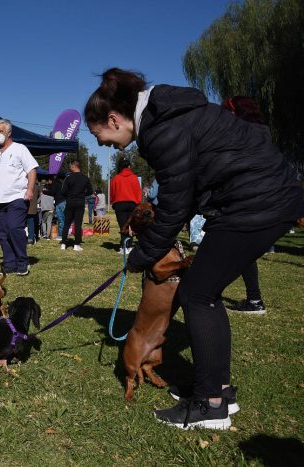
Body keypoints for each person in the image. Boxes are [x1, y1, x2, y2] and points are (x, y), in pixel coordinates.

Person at [85, 67, 303, 430]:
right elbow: (183, 198)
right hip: (260, 199)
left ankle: (209, 405)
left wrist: (141, 256)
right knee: (205, 291)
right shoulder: (165, 114)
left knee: (198, 294)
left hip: (257, 202)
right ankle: (219, 392)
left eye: (100, 135)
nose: (102, 144)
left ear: (113, 118)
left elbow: (173, 206)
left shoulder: (159, 129)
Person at [222, 96, 273, 315]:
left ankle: (253, 300)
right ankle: (254, 300)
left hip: (245, 198)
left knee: (235, 249)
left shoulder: (241, 133)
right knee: (244, 252)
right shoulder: (263, 131)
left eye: (227, 112)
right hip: (261, 196)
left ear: (235, 112)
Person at [0, 118, 38, 275]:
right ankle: (9, 263)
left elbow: (32, 170)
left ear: (9, 132)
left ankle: (22, 262)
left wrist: (30, 189)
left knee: (14, 228)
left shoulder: (20, 149)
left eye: (0, 131)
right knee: (2, 234)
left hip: (17, 198)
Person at [110, 158, 141, 254]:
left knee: (123, 226)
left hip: (120, 204)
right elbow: (138, 192)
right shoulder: (134, 178)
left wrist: (113, 203)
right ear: (129, 166)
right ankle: (129, 245)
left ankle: (124, 247)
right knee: (131, 225)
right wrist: (138, 203)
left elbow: (112, 193)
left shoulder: (116, 178)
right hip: (132, 204)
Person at [60, 160, 93, 251]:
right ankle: (76, 245)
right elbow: (90, 191)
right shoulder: (85, 178)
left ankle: (63, 244)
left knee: (66, 223)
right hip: (80, 203)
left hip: (70, 203)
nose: (70, 168)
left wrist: (69, 195)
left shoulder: (68, 178)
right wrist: (82, 194)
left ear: (75, 166)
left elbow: (63, 192)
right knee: (78, 224)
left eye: (71, 166)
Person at [45, 172, 66, 240]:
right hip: (64, 201)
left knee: (60, 220)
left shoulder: (55, 183)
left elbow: (52, 192)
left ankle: (61, 236)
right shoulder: (61, 183)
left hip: (59, 202)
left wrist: (44, 192)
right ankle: (64, 234)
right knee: (63, 219)